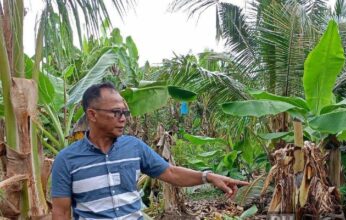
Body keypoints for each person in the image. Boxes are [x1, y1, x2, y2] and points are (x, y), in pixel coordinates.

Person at [51, 82, 249, 220]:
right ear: (92, 115)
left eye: (125, 113)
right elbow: (60, 213)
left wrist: (208, 176)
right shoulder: (67, 160)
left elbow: (171, 172)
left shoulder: (134, 147)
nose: (123, 118)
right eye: (116, 112)